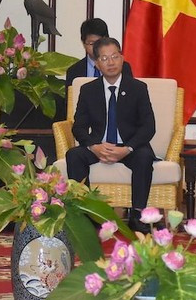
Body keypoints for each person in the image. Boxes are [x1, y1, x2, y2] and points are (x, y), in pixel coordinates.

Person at [66, 37, 155, 233]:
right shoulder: (88, 90)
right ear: (97, 64)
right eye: (105, 59)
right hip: (100, 145)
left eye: (115, 56)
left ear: (122, 58)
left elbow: (148, 127)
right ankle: (87, 213)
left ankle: (138, 215)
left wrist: (127, 148)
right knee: (74, 155)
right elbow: (79, 127)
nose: (111, 62)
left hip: (129, 146)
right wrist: (94, 147)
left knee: (144, 156)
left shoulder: (138, 88)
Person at [65, 18, 133, 89]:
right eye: (92, 43)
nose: (96, 47)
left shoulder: (123, 67)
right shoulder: (74, 71)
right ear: (84, 43)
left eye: (99, 42)